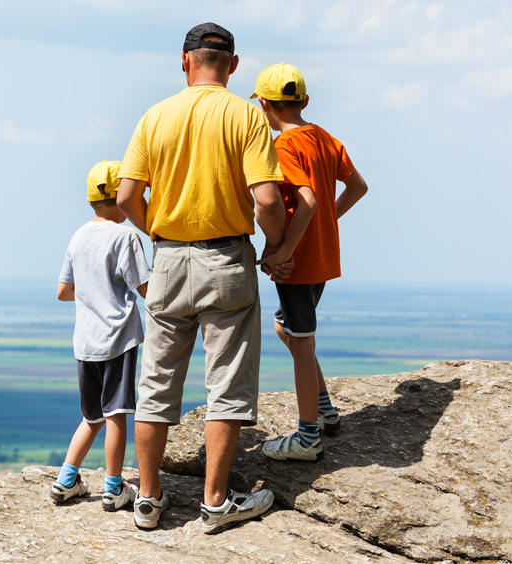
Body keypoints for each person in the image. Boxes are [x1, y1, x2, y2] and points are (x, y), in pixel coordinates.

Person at [116, 22, 290, 533]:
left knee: (156, 384)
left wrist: (164, 237)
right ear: (233, 66)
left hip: (168, 259)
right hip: (227, 260)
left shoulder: (155, 115)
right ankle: (216, 502)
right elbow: (266, 200)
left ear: (185, 61)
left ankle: (147, 499)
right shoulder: (246, 116)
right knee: (227, 386)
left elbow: (126, 197)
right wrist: (277, 245)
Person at [250, 63, 368, 461]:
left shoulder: (282, 146)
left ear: (264, 104)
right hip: (322, 255)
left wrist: (281, 251)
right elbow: (357, 187)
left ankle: (306, 438)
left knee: (301, 341)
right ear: (304, 100)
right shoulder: (324, 138)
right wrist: (325, 225)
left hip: (297, 261)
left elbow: (307, 200)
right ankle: (325, 410)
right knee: (288, 328)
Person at [51, 160, 152, 512]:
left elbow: (63, 291)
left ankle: (66, 480)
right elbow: (145, 287)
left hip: (85, 342)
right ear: (118, 196)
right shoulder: (125, 236)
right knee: (116, 415)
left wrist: (91, 288)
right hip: (117, 339)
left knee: (91, 416)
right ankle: (113, 487)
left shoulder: (78, 236)